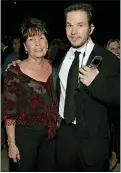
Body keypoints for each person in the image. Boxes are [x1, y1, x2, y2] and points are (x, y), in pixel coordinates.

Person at [7, 3, 120, 172]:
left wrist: (97, 83)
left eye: (80, 25)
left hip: (93, 145)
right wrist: (19, 65)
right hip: (62, 138)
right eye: (69, 25)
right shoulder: (59, 56)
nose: (73, 31)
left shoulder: (109, 60)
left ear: (91, 28)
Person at [3, 18, 58, 172]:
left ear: (47, 42)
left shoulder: (54, 67)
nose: (38, 43)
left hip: (52, 137)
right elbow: (9, 112)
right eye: (31, 39)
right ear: (25, 46)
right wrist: (12, 144)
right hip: (25, 138)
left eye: (41, 38)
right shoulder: (14, 72)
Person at [105, 38, 120, 171]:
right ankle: (113, 155)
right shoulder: (106, 69)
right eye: (113, 48)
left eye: (119, 47)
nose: (117, 51)